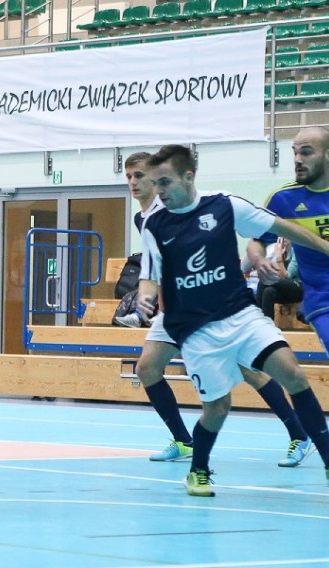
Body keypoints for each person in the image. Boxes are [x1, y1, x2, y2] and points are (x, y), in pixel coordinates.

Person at [136, 144, 329, 496]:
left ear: (188, 176)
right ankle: (198, 470)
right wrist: (146, 294)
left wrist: (325, 248)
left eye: (165, 182)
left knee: (293, 374)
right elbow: (150, 274)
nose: (159, 192)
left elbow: (280, 226)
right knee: (218, 407)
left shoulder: (225, 204)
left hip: (239, 314)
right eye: (156, 184)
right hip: (195, 329)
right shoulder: (154, 222)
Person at [248, 126, 329, 355]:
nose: (297, 159)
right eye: (294, 152)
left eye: (306, 152)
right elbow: (256, 240)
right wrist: (259, 259)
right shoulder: (282, 199)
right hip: (322, 299)